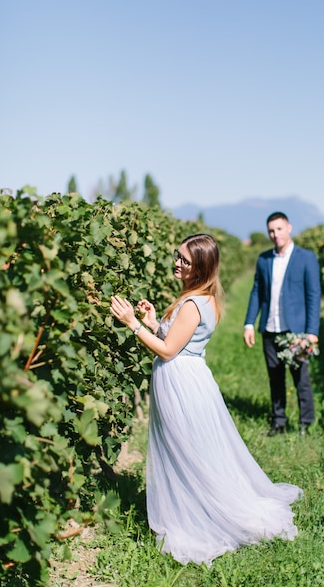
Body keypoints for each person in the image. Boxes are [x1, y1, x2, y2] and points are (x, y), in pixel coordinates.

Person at [110, 233, 303, 567]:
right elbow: (178, 341)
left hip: (180, 381)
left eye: (184, 260)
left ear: (200, 267)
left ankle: (197, 517)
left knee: (185, 450)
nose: (177, 262)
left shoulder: (192, 303)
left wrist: (132, 325)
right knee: (190, 449)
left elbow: (169, 351)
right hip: (189, 377)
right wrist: (155, 323)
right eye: (177, 255)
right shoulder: (203, 298)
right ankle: (194, 506)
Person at [243, 212, 321, 437]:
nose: (275, 234)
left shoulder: (306, 258)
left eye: (278, 229)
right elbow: (257, 291)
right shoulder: (264, 259)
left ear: (289, 228)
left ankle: (306, 422)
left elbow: (313, 296)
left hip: (296, 331)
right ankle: (279, 421)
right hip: (270, 329)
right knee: (275, 377)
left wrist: (311, 332)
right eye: (271, 230)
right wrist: (249, 323)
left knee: (301, 377)